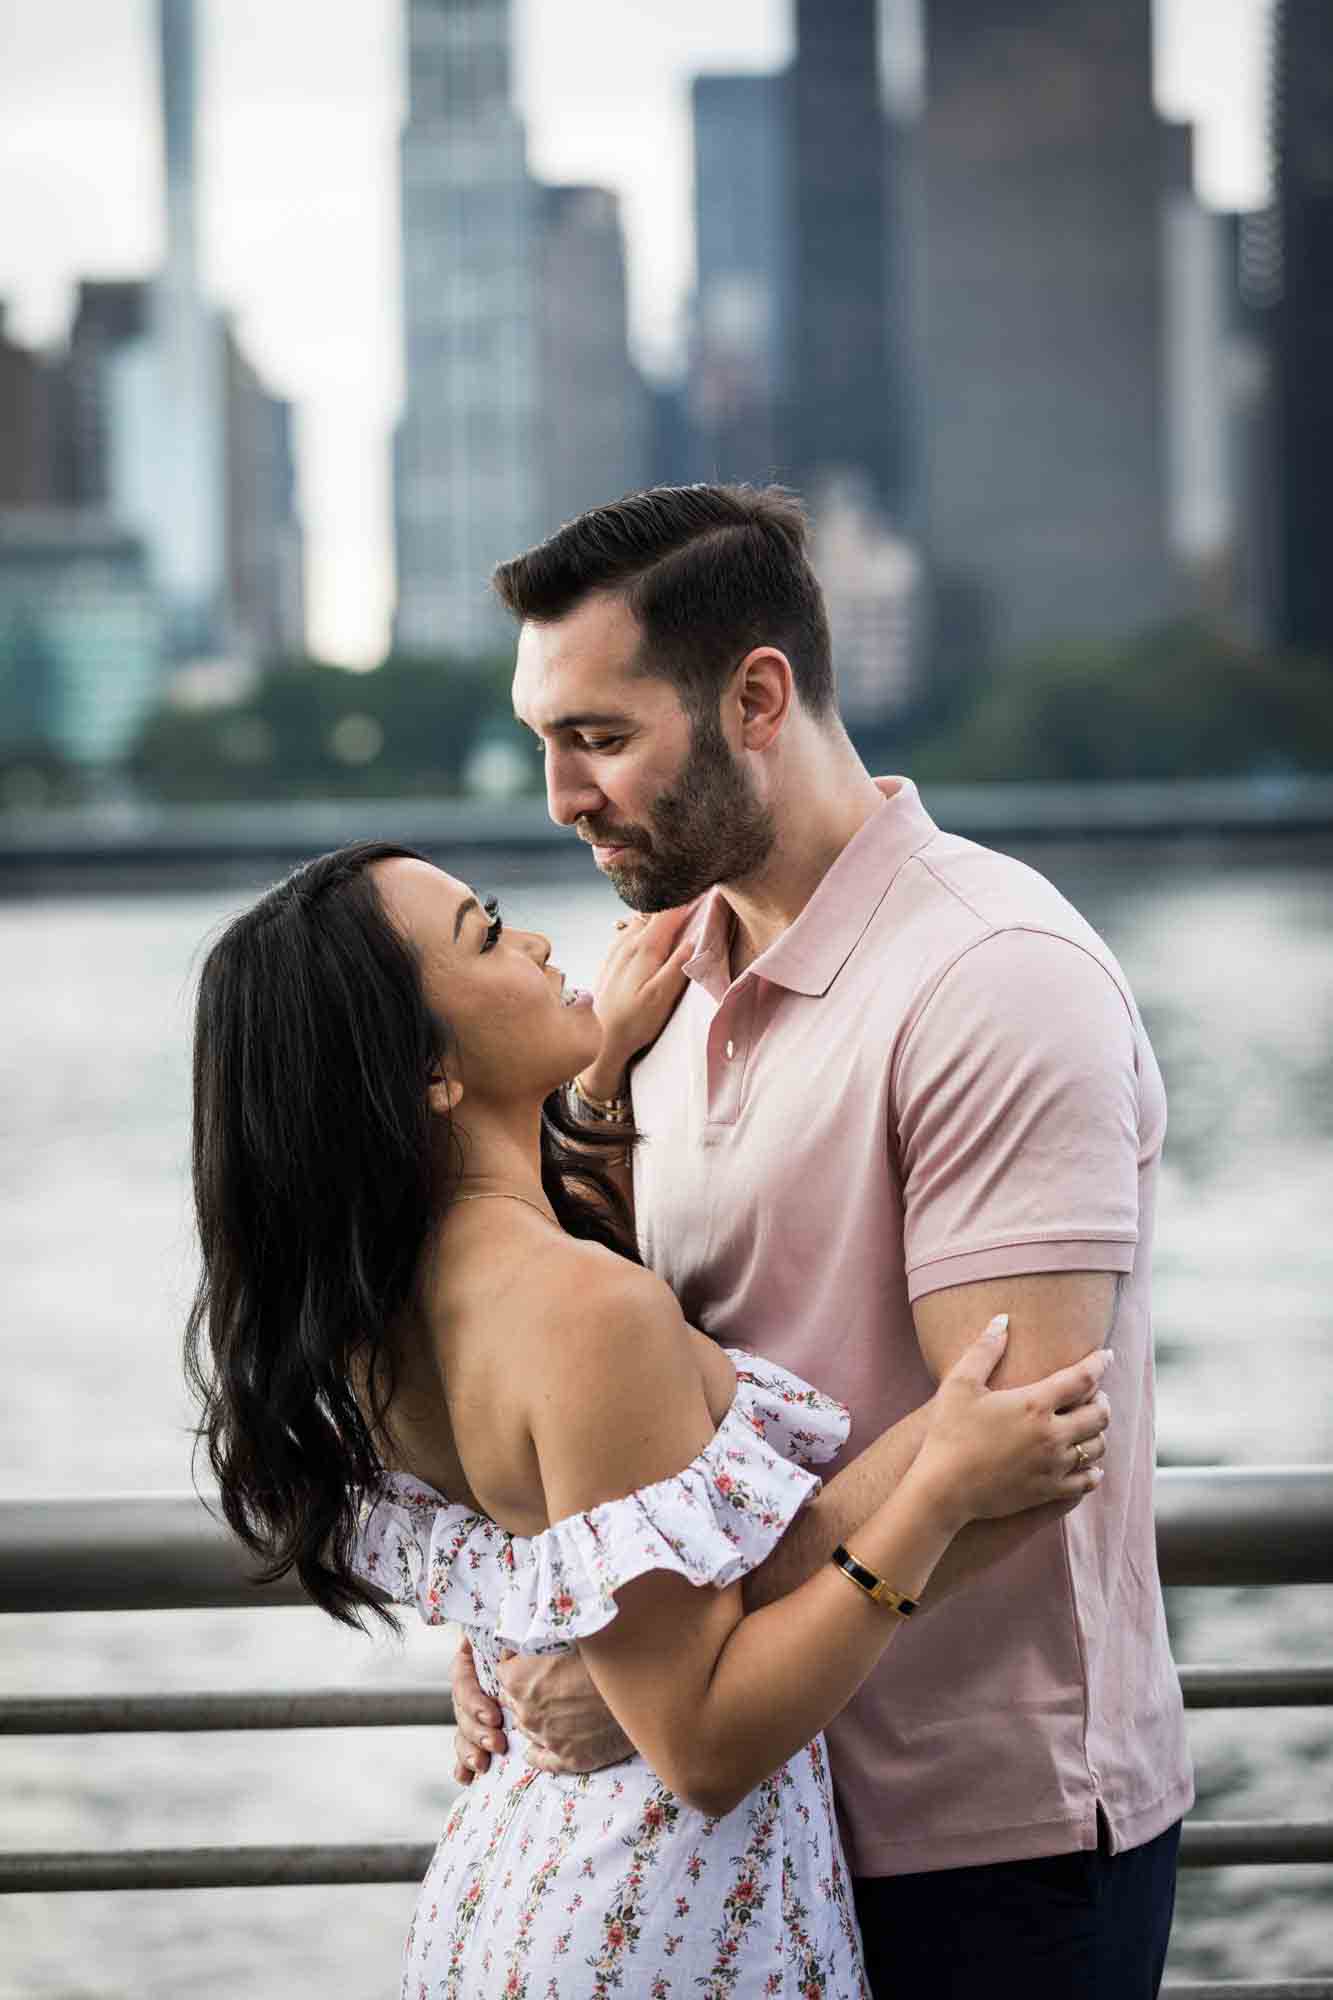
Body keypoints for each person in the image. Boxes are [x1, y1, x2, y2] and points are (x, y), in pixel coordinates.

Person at [451, 483, 1193, 1999]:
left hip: (977, 1839)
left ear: (757, 698)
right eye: (546, 742)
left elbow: (1017, 1454)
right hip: (723, 1837)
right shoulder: (661, 974)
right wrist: (592, 1093)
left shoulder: (993, 976)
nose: (559, 799)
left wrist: (648, 1647)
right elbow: (610, 1354)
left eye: (598, 738)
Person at [185, 839, 1112, 1999]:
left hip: (520, 1875)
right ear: (430, 1071)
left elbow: (562, 1537)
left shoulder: (382, 1314)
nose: (534, 942)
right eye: (487, 935)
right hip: (662, 1912)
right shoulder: (586, 1313)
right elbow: (706, 1741)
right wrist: (930, 1497)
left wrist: (599, 1064)